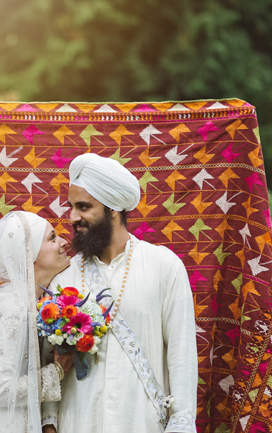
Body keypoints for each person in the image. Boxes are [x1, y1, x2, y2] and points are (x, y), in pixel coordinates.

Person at [41, 153, 198, 433]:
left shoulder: (164, 266)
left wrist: (181, 423)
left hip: (143, 423)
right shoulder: (63, 277)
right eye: (71, 207)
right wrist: (49, 422)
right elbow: (48, 360)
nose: (73, 217)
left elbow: (181, 355)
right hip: (78, 423)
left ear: (113, 208)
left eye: (84, 207)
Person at [0, 211, 75, 433]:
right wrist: (58, 370)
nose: (65, 242)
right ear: (30, 253)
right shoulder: (9, 305)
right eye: (52, 238)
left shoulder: (33, 303)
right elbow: (3, 389)